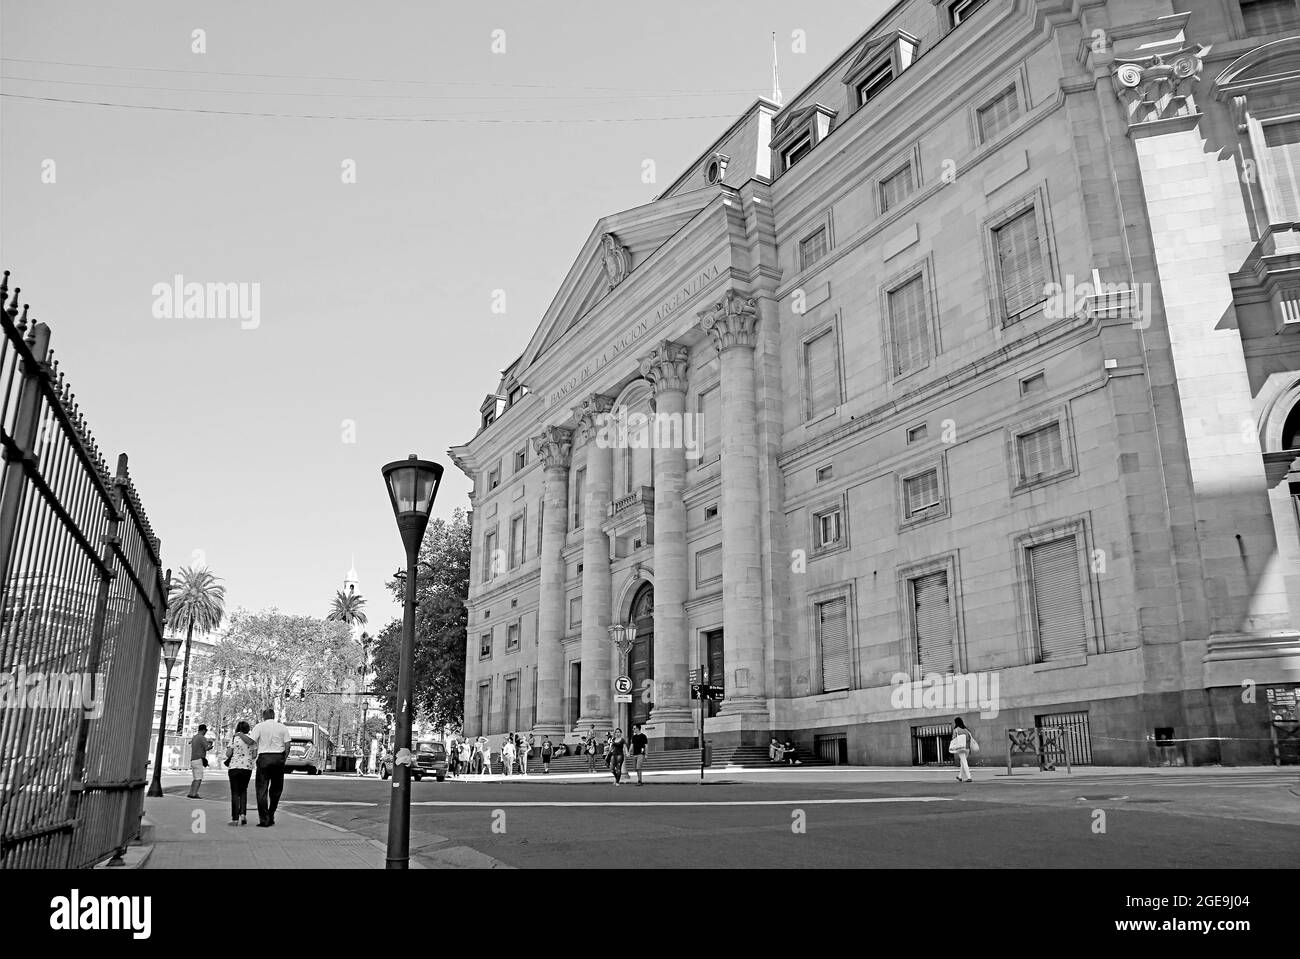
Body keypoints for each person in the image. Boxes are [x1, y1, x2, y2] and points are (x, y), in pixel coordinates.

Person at [249, 707, 291, 827]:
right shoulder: (282, 727)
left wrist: (254, 753)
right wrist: (284, 758)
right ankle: (271, 814)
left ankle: (264, 818)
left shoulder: (259, 727)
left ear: (264, 716)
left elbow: (252, 741)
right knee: (276, 789)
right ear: (273, 716)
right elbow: (288, 745)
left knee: (261, 790)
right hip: (278, 759)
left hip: (264, 759)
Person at [225, 721, 255, 825]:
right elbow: (255, 754)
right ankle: (243, 815)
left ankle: (235, 818)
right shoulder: (252, 739)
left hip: (234, 767)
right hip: (247, 767)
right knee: (243, 791)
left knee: (235, 792)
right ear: (248, 728)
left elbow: (228, 754)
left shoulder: (234, 738)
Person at [950, 717, 977, 783]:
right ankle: (960, 776)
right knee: (962, 762)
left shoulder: (956, 730)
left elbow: (953, 738)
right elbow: (969, 739)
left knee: (964, 762)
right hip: (967, 748)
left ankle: (969, 777)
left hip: (961, 748)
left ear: (956, 723)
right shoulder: (966, 730)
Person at [186, 724, 210, 798]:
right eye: (206, 730)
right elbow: (206, 748)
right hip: (199, 759)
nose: (206, 732)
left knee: (195, 778)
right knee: (199, 779)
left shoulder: (195, 737)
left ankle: (191, 792)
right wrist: (210, 746)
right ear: (204, 730)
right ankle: (194, 794)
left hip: (193, 759)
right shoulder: (202, 738)